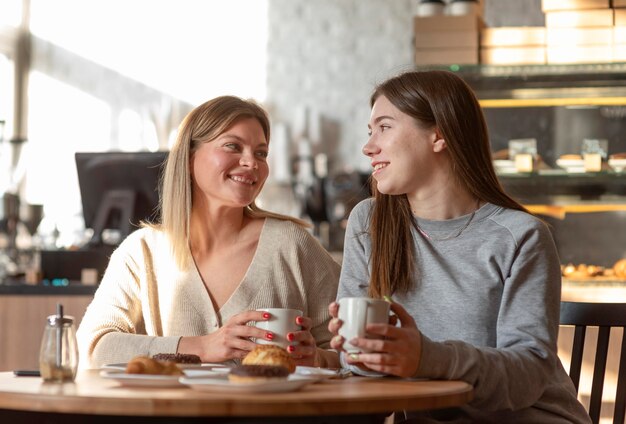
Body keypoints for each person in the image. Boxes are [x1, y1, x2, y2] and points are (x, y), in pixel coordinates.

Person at [328, 70, 591, 423]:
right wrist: (357, 350)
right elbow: (357, 364)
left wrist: (427, 358)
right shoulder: (369, 222)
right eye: (370, 131)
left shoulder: (521, 235)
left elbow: (529, 374)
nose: (368, 146)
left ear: (439, 135)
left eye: (385, 127)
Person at [77, 95, 340, 369]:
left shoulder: (291, 244)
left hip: (271, 412)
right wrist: (201, 347)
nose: (252, 162)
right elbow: (92, 347)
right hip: (175, 412)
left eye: (261, 153)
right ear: (190, 158)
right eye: (232, 146)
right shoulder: (142, 253)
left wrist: (317, 358)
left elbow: (351, 351)